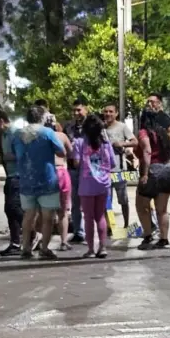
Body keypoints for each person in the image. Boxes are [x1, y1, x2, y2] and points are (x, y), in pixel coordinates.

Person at [12, 104, 65, 260]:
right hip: (47, 180)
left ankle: (26, 248)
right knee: (48, 217)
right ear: (42, 118)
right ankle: (44, 248)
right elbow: (61, 152)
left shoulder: (18, 134)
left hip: (26, 179)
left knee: (28, 216)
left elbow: (15, 153)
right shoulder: (48, 132)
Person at [73, 113, 115, 259]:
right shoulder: (106, 144)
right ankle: (103, 247)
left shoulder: (79, 143)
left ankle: (91, 249)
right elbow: (112, 163)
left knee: (88, 218)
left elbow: (76, 163)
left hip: (86, 185)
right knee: (100, 216)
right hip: (103, 184)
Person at [135, 109, 170, 250]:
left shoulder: (144, 132)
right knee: (162, 209)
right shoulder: (163, 133)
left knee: (141, 205)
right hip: (168, 169)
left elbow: (147, 150)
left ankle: (148, 236)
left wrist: (145, 174)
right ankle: (164, 240)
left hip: (153, 169)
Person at [0, 109, 23, 257]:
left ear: (1, 121)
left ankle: (32, 233)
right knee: (9, 210)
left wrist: (3, 157)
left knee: (14, 208)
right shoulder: (3, 136)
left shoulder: (15, 133)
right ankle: (15, 242)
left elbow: (19, 155)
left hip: (18, 175)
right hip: (10, 176)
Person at [102, 104, 137, 229]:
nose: (108, 114)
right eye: (106, 111)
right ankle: (110, 226)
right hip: (104, 171)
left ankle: (126, 225)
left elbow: (135, 141)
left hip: (120, 170)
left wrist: (121, 144)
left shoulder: (122, 127)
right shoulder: (101, 128)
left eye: (111, 111)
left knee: (123, 199)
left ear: (116, 113)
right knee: (107, 201)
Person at [63, 98, 89, 242]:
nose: (76, 113)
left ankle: (90, 231)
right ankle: (78, 231)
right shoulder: (68, 127)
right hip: (73, 168)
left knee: (89, 202)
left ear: (86, 109)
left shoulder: (92, 125)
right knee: (75, 202)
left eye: (79, 110)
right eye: (74, 110)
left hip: (89, 169)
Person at [54, 122, 74, 251]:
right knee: (63, 211)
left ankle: (41, 240)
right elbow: (71, 152)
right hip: (61, 171)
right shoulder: (62, 136)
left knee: (44, 210)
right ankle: (63, 241)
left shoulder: (39, 136)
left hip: (46, 172)